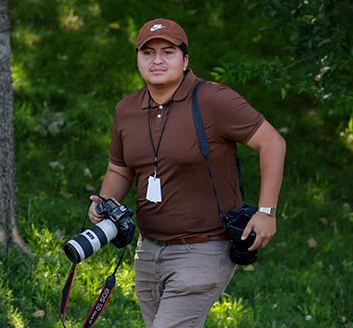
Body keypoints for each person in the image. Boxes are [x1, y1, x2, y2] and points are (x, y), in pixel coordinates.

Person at [88, 18, 286, 328]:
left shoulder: (214, 99)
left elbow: (272, 142)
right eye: (147, 52)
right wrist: (105, 202)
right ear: (137, 59)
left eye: (168, 52)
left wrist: (267, 211)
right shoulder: (125, 110)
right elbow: (120, 167)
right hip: (148, 250)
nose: (157, 60)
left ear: (185, 60)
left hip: (204, 248)